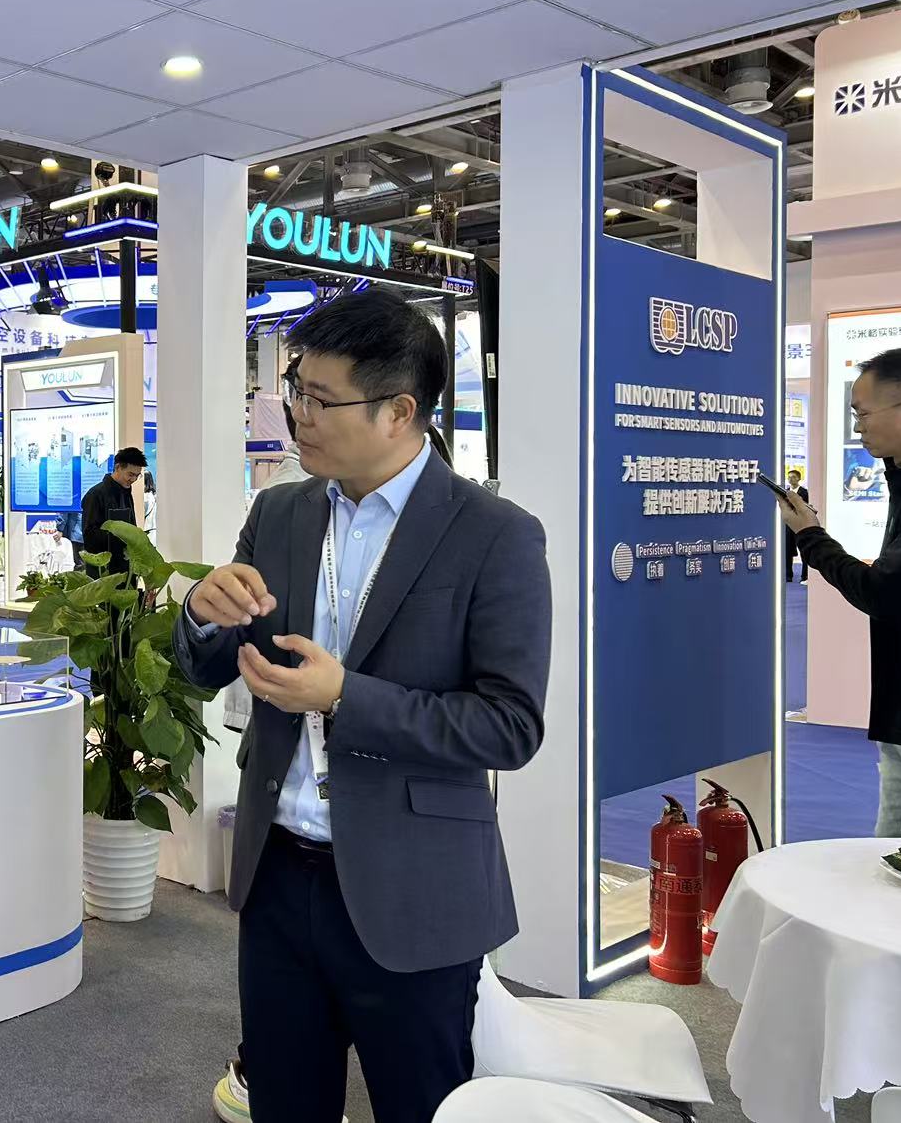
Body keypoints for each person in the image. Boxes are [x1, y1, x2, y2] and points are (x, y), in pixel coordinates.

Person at [175, 288, 551, 1123]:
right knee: (285, 1103)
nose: (298, 416)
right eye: (295, 390)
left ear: (399, 412)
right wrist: (201, 612)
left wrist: (346, 695)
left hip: (413, 887)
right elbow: (209, 664)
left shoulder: (494, 533)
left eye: (321, 398)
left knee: (422, 1105)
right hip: (279, 875)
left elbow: (510, 725)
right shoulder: (280, 510)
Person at [779, 348, 901, 838]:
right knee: (892, 851)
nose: (858, 427)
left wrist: (811, 538)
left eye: (863, 414)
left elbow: (883, 590)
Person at [81, 447, 146, 576]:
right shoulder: (96, 494)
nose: (133, 479)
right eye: (130, 474)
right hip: (103, 571)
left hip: (125, 566)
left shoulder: (126, 492)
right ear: (118, 467)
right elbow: (89, 535)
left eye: (137, 476)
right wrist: (122, 536)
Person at [784, 467, 810, 583]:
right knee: (787, 551)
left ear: (799, 479)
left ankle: (805, 576)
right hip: (788, 525)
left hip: (801, 525)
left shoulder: (805, 492)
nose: (791, 479)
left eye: (793, 477)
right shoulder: (784, 491)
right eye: (789, 477)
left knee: (803, 551)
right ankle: (788, 575)